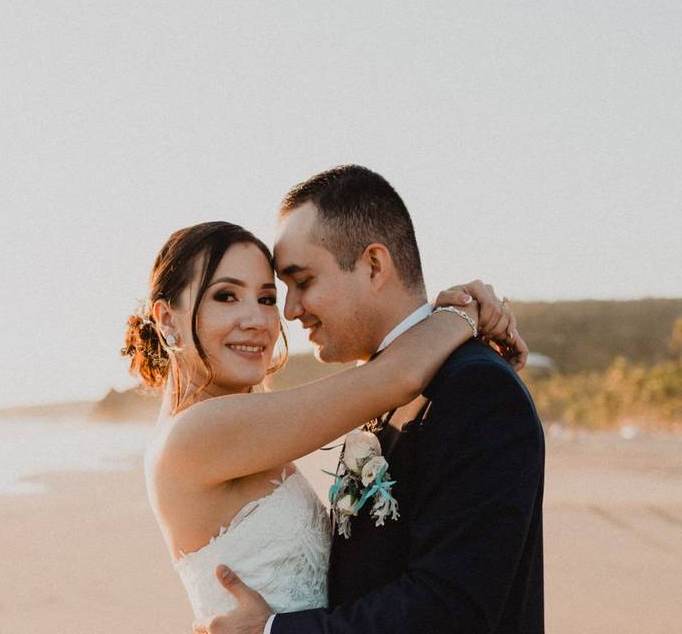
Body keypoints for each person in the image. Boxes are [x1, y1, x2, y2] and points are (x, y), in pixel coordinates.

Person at [123, 212, 526, 624]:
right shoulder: (198, 432)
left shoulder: (229, 423)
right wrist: (467, 311)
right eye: (226, 296)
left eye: (265, 299)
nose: (257, 321)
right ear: (167, 318)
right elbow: (396, 377)